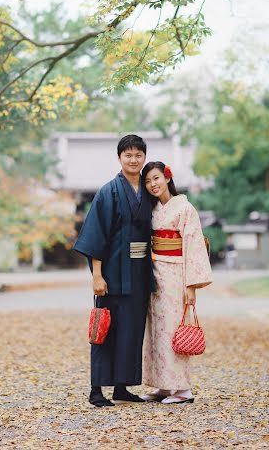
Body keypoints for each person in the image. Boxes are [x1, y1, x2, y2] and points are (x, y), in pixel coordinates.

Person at [74, 134, 156, 407]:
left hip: (138, 272)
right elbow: (96, 235)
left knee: (131, 331)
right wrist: (97, 275)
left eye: (138, 155)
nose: (134, 160)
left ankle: (122, 387)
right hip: (111, 272)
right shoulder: (108, 192)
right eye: (128, 155)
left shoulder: (147, 191)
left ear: (144, 157)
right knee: (105, 330)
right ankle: (96, 390)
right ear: (119, 158)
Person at [141, 161, 212, 404]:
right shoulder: (151, 210)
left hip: (176, 274)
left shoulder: (184, 207)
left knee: (173, 330)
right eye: (148, 180)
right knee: (157, 329)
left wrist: (190, 286)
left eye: (156, 178)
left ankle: (182, 389)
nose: (153, 184)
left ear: (167, 177)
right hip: (154, 272)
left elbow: (193, 246)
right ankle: (163, 385)